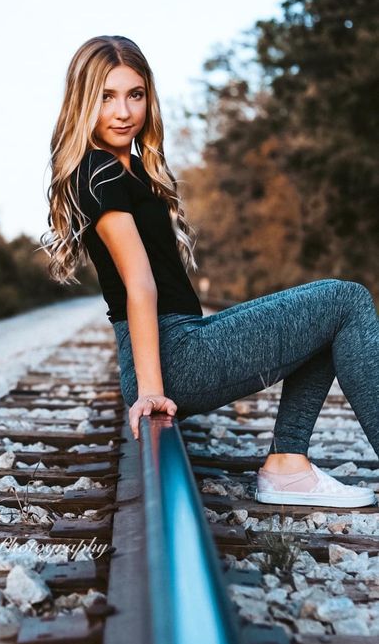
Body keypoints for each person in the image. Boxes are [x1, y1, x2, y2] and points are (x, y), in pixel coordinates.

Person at [41, 35, 379, 508]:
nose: (123, 111)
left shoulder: (130, 168)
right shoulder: (100, 173)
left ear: (148, 98)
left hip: (182, 343)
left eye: (134, 95)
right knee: (347, 301)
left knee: (330, 312)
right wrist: (153, 390)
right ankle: (287, 462)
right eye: (106, 96)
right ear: (82, 101)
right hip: (175, 354)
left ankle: (288, 463)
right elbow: (138, 284)